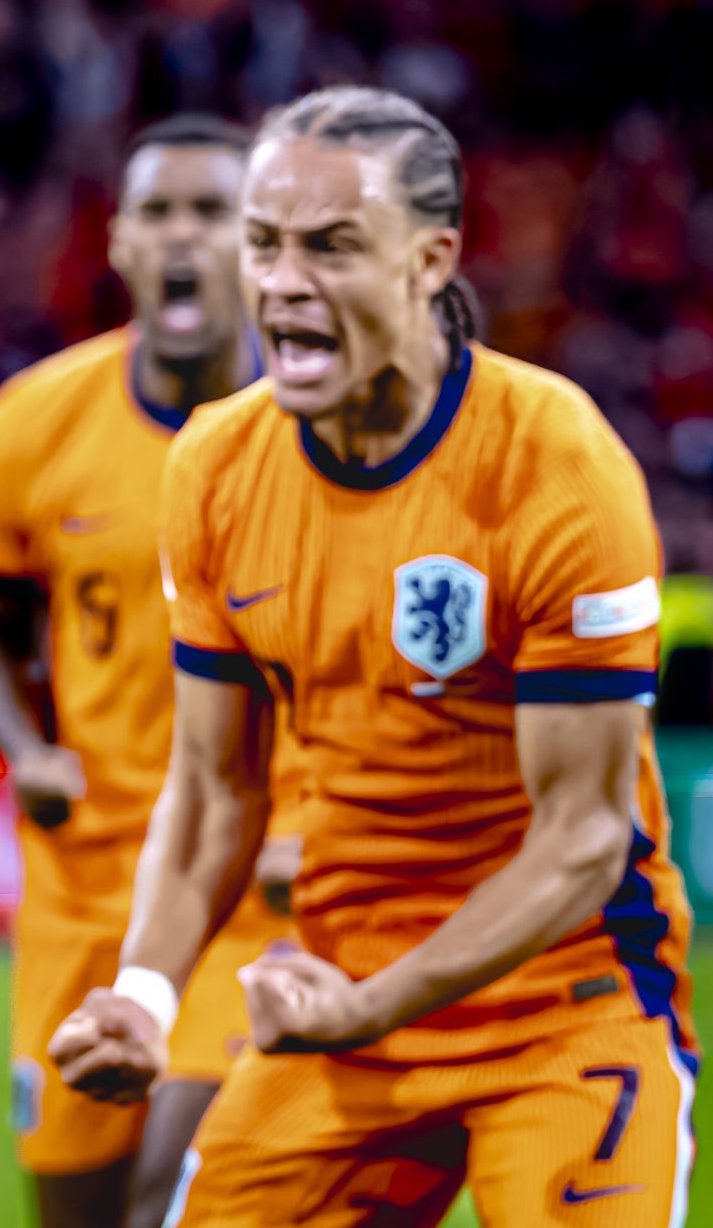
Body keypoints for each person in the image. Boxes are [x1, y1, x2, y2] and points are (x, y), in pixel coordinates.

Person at [47, 87, 694, 1224]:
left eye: (332, 247)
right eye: (264, 244)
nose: (281, 282)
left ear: (431, 260)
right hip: (340, 988)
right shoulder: (215, 469)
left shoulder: (556, 465)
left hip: (565, 1000)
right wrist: (144, 995)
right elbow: (213, 790)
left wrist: (372, 1003)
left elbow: (583, 839)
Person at [0, 114, 306, 1228]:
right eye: (159, 213)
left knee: (177, 1191)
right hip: (85, 879)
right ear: (119, 244)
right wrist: (27, 749)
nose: (184, 239)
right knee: (80, 1210)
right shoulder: (28, 431)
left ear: (257, 243)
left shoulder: (319, 433)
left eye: (213, 213)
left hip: (250, 879)